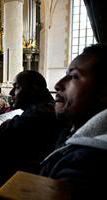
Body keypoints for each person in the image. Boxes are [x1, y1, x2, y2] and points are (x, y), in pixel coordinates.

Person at [0, 70, 63, 199]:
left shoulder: (36, 115)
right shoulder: (49, 108)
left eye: (16, 87)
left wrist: (8, 124)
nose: (11, 93)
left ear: (34, 88)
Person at [39, 44, 107, 199]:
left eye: (74, 76)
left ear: (104, 91)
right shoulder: (69, 131)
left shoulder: (87, 163)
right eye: (66, 75)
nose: (58, 85)